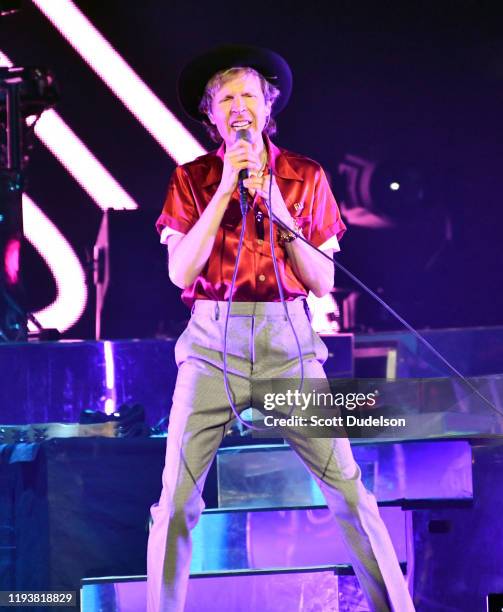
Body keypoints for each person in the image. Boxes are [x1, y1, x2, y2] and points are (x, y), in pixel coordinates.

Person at [147, 44, 415, 612]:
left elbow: (321, 280)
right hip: (210, 346)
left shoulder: (305, 176)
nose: (238, 106)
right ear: (211, 115)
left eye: (249, 95)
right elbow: (180, 271)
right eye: (225, 99)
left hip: (288, 345)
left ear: (268, 107)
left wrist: (278, 207)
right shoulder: (191, 179)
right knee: (175, 503)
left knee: (347, 490)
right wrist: (226, 189)